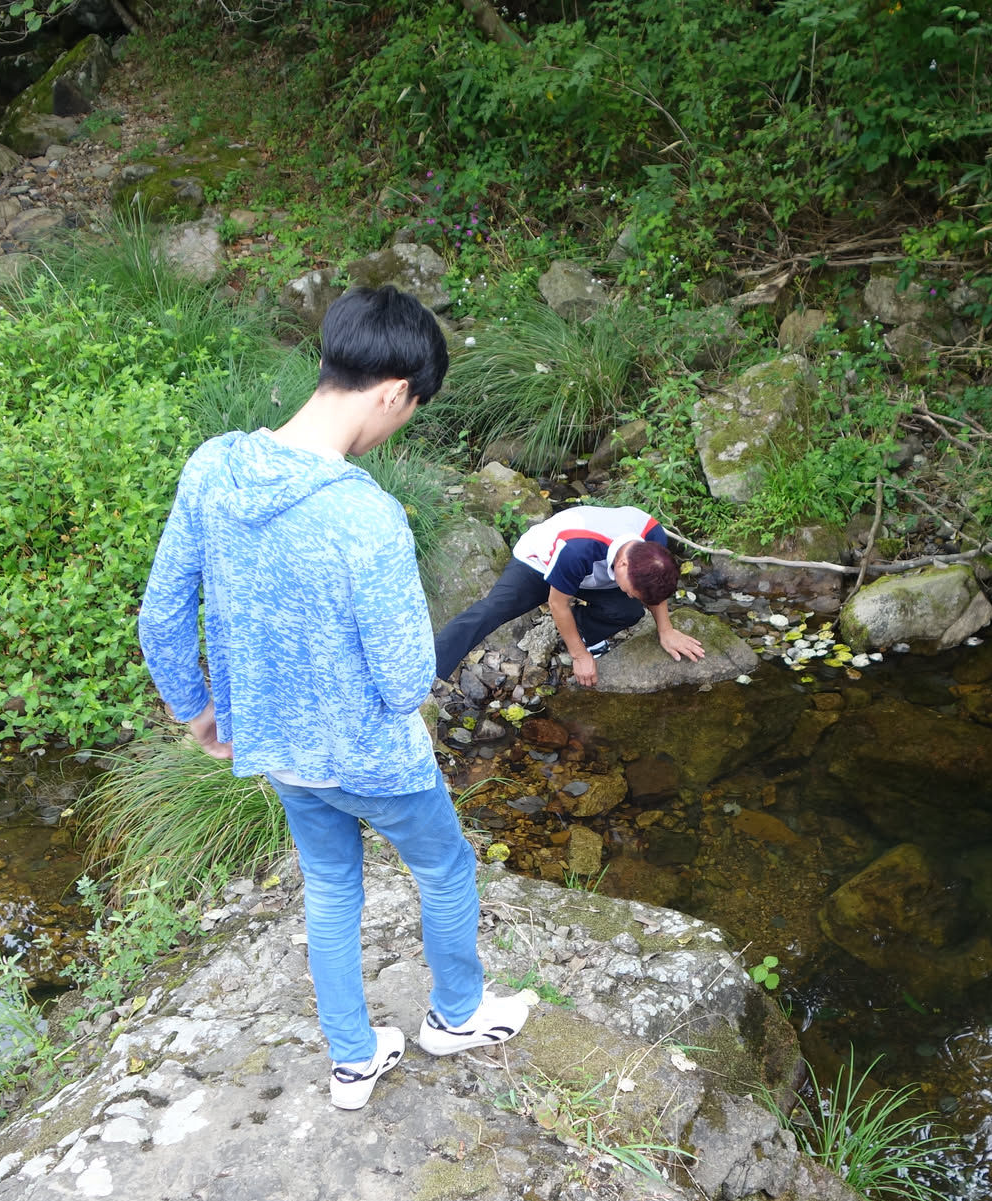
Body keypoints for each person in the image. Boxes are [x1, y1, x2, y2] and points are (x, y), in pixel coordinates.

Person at [136, 286, 528, 1112]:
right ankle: (456, 1016)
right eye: (410, 411)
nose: (400, 426)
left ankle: (353, 1059)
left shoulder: (214, 467)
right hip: (373, 759)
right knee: (446, 869)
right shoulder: (365, 515)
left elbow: (161, 614)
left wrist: (194, 708)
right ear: (395, 392)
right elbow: (404, 681)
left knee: (330, 885)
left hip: (277, 746)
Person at [433, 504, 706, 688]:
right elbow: (557, 603)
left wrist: (665, 630)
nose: (632, 595)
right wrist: (579, 656)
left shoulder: (653, 540)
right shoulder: (577, 549)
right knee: (492, 610)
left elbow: (654, 589)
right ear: (623, 565)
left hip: (592, 573)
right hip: (539, 564)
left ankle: (584, 629)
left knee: (629, 611)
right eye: (631, 590)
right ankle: (430, 669)